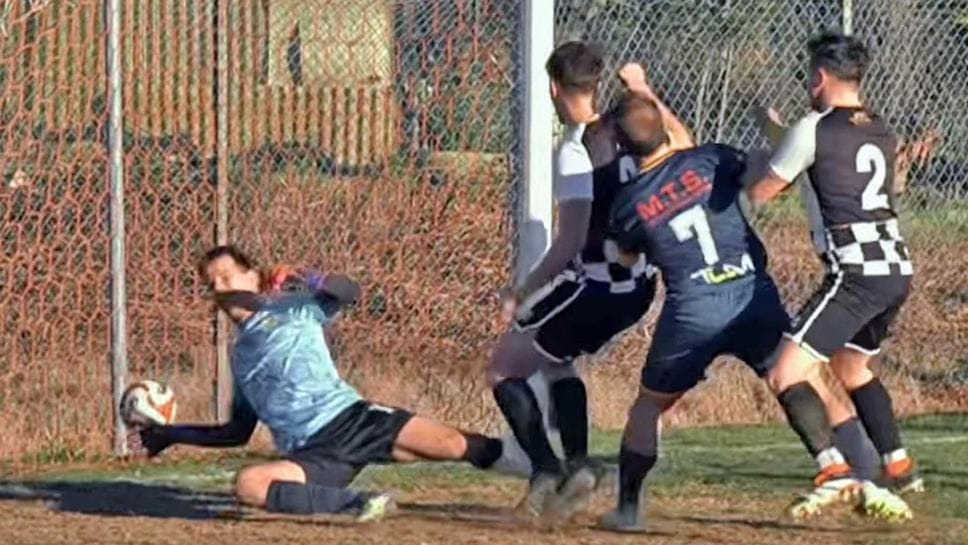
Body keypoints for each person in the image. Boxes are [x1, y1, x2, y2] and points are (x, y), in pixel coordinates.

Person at [599, 91, 911, 532]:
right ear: (666, 128)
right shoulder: (712, 159)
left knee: (648, 407)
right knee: (800, 377)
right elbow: (756, 173)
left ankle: (627, 510)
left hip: (693, 310)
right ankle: (847, 470)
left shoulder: (629, 201)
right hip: (751, 295)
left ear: (621, 145)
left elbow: (625, 260)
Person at [132, 245, 504, 522]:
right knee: (249, 485)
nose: (220, 287)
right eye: (212, 283)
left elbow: (349, 292)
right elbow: (237, 432)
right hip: (313, 453)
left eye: (226, 276)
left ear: (254, 277)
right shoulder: (239, 357)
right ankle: (359, 502)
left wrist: (301, 275)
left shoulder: (294, 307)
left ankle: (540, 469)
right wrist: (172, 433)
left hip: (354, 419)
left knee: (455, 444)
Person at [486, 41, 693, 518]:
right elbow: (682, 142)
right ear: (596, 85)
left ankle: (547, 470)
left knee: (504, 368)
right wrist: (642, 88)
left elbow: (569, 242)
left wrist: (522, 290)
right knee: (557, 362)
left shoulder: (577, 148)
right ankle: (577, 466)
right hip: (640, 287)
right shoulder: (631, 127)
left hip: (597, 286)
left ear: (555, 88)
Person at [748, 31, 923, 498]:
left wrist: (747, 178)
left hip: (855, 272)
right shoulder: (882, 129)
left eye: (810, 76)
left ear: (820, 77)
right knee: (852, 367)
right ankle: (900, 467)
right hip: (894, 267)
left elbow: (764, 192)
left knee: (785, 373)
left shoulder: (814, 127)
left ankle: (833, 470)